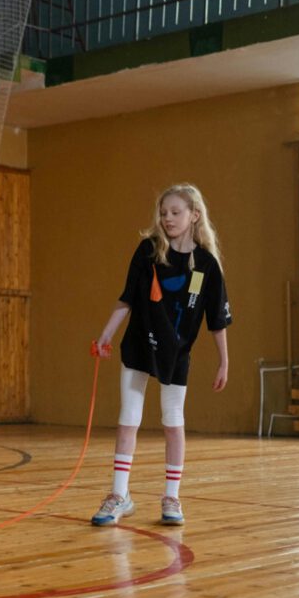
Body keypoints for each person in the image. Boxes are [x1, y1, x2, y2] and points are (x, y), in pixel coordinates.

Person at [91, 183, 231, 527]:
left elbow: (216, 320)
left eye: (175, 212)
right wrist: (107, 333)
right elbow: (127, 297)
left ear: (194, 215)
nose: (168, 218)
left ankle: (171, 497)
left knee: (173, 422)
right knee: (128, 419)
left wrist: (224, 361)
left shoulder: (206, 266)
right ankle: (119, 495)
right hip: (139, 345)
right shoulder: (148, 251)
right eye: (164, 212)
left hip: (176, 353)